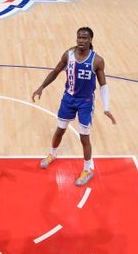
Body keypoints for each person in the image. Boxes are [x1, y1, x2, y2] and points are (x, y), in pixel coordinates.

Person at [31, 27, 116, 186]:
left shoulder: (97, 60)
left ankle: (86, 170)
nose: (81, 41)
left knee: (84, 137)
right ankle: (52, 154)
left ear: (91, 40)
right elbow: (55, 71)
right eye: (79, 37)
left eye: (85, 38)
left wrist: (106, 107)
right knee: (60, 130)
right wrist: (41, 87)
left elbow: (103, 85)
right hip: (68, 99)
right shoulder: (68, 54)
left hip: (85, 102)